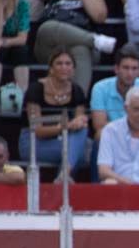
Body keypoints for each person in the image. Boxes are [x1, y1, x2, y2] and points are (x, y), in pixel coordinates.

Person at [28, 0, 117, 94]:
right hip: (50, 48)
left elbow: (99, 17)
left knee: (81, 49)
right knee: (47, 27)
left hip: (81, 51)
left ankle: (77, 101)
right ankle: (93, 39)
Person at [19, 47, 90, 176]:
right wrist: (64, 127)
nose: (64, 67)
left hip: (64, 139)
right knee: (78, 151)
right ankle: (63, 182)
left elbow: (80, 122)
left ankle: (63, 176)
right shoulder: (36, 89)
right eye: (59, 63)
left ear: (73, 69)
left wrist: (79, 122)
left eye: (68, 64)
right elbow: (38, 131)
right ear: (51, 69)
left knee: (84, 137)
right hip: (34, 141)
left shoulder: (77, 90)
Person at [90, 45, 139, 141]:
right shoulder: (100, 88)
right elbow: (99, 125)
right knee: (101, 134)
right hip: (112, 137)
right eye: (126, 68)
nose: (130, 73)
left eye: (134, 68)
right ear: (116, 69)